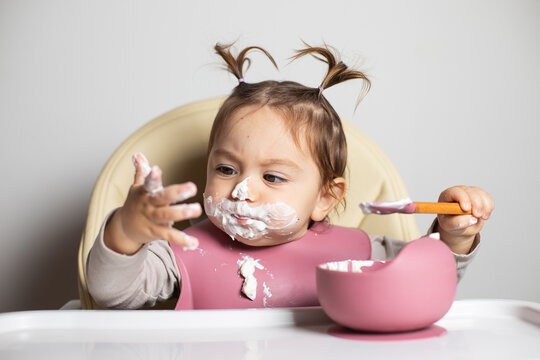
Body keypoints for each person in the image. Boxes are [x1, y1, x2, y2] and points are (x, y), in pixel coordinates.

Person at [87, 43, 494, 309]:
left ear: (325, 197)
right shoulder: (181, 251)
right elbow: (109, 292)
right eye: (226, 170)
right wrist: (128, 228)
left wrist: (454, 236)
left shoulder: (359, 254)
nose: (242, 191)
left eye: (274, 178)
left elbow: (420, 286)